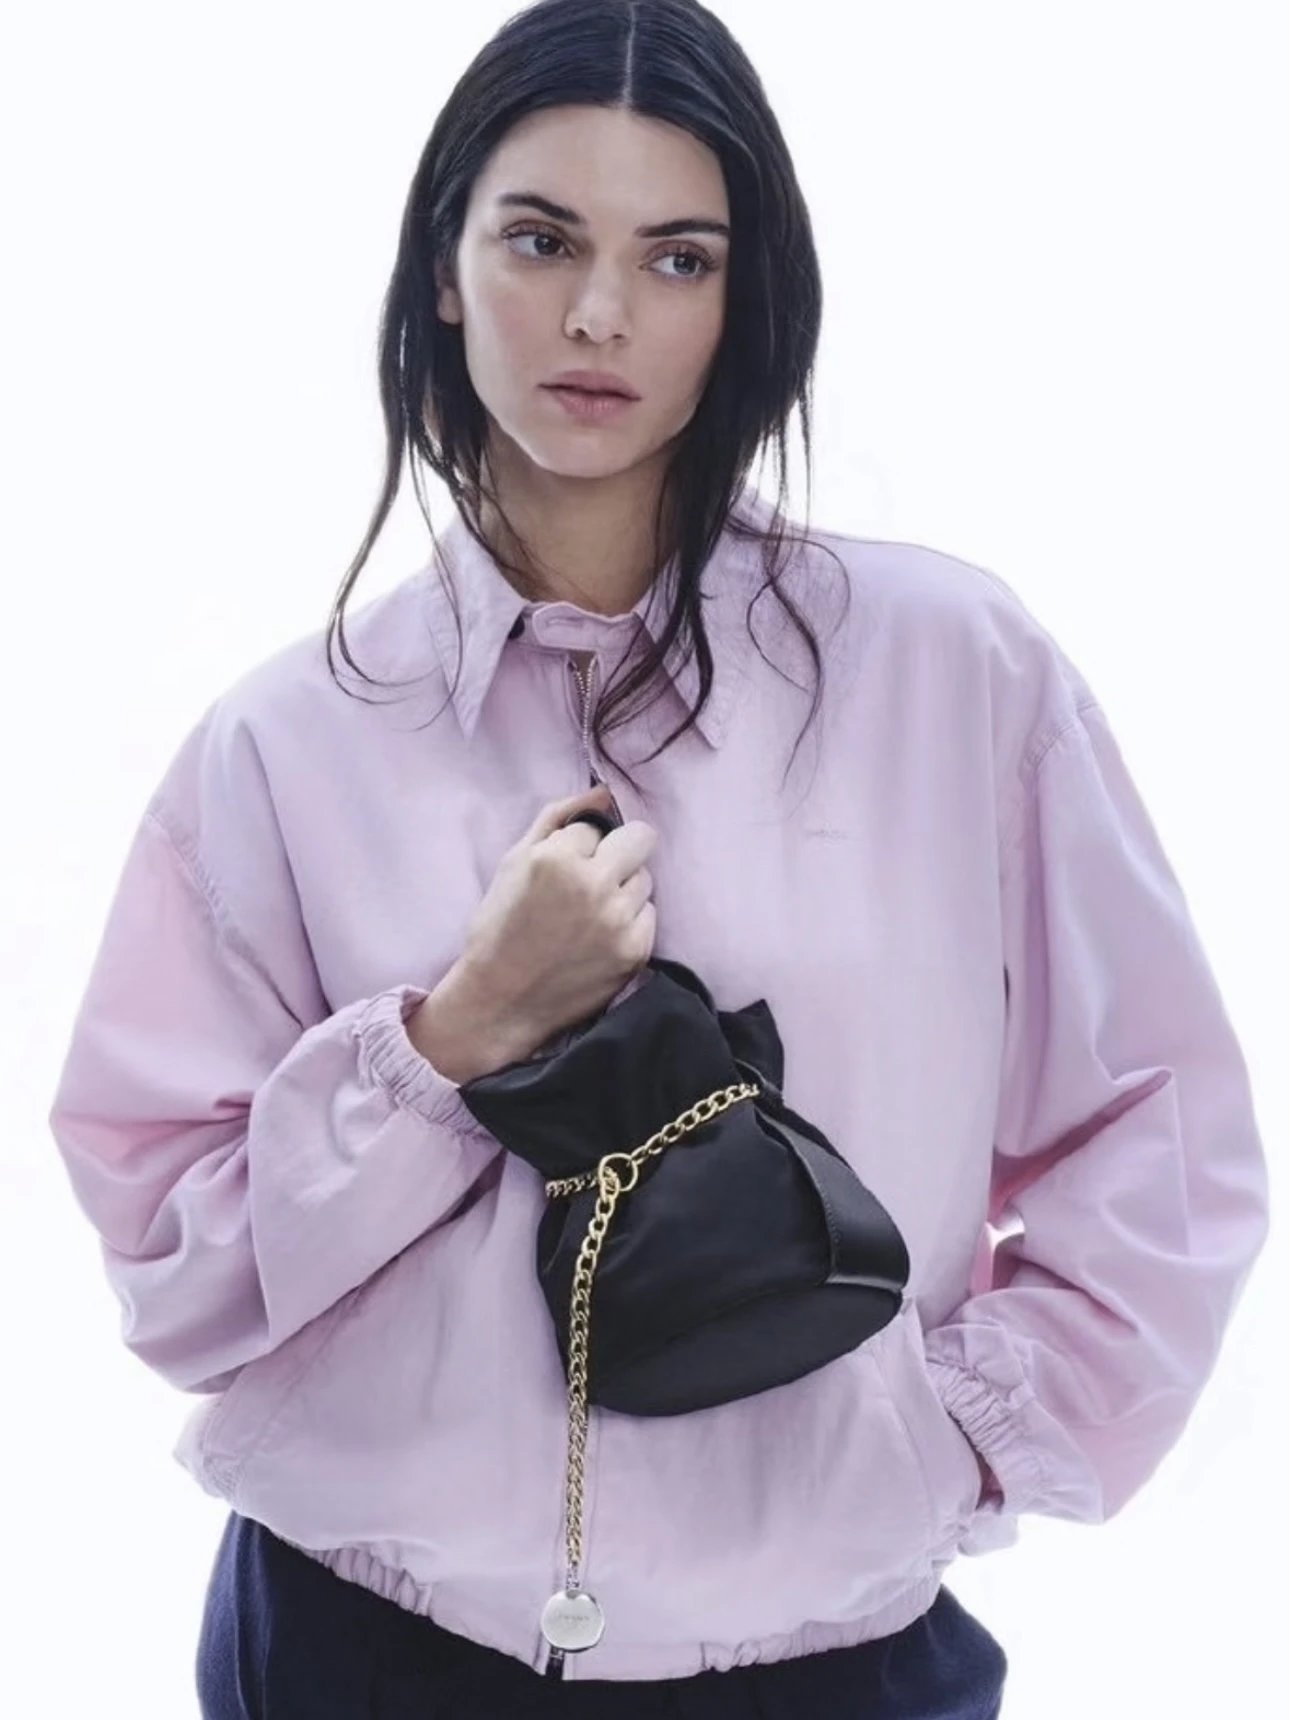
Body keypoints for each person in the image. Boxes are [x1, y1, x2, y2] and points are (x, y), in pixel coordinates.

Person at [46, 1, 1270, 1715]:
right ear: (445, 266)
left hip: (824, 1661)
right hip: (361, 1643)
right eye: (541, 239)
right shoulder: (286, 746)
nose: (600, 314)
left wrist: (946, 1445)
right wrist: (451, 1037)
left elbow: (1160, 1133)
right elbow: (176, 1269)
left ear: (741, 299)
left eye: (676, 257)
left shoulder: (951, 675)